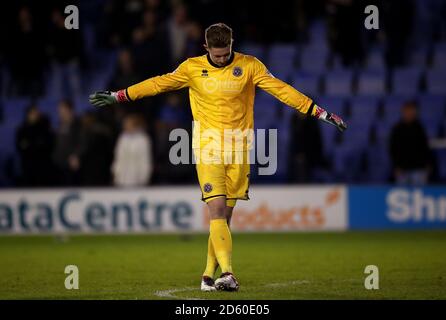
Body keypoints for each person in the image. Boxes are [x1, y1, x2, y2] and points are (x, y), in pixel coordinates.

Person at [89, 23, 347, 292]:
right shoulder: (192, 68)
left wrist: (320, 113)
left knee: (225, 218)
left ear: (232, 44)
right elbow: (158, 84)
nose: (223, 59)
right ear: (206, 48)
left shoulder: (250, 66)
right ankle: (229, 273)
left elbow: (282, 90)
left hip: (239, 149)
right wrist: (120, 95)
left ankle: (207, 276)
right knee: (216, 211)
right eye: (218, 55)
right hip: (208, 147)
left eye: (226, 54)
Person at [389, 101, 430, 185]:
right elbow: (393, 148)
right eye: (407, 111)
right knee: (402, 193)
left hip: (418, 168)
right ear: (403, 112)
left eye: (412, 111)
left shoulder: (419, 128)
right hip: (402, 169)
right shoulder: (397, 129)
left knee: (419, 193)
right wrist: (396, 166)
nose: (410, 113)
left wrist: (427, 164)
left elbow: (425, 147)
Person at [112, 113, 153, 187]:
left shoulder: (143, 139)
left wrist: (144, 177)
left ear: (134, 125)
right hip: (122, 177)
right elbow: (118, 157)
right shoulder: (122, 138)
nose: (125, 126)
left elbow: (145, 159)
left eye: (127, 124)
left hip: (137, 176)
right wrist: (116, 173)